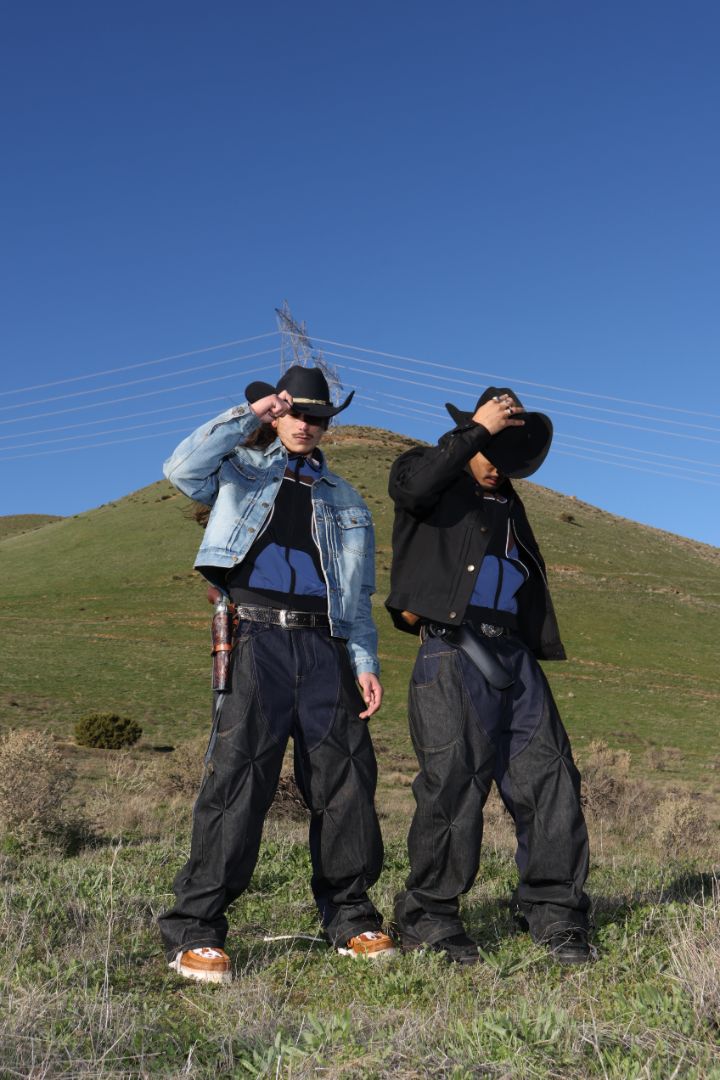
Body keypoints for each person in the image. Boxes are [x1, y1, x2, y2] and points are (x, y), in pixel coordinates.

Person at [158, 365, 394, 984]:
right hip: (254, 635)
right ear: (278, 414)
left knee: (345, 780)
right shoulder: (239, 471)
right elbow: (180, 469)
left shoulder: (346, 500)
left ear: (327, 425)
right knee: (238, 779)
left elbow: (359, 593)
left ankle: (350, 917)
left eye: (317, 417)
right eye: (295, 413)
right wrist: (253, 415)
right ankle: (197, 930)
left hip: (325, 646)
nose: (306, 425)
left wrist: (364, 663)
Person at [385, 387, 592, 965]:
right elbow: (411, 488)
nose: (499, 466)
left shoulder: (511, 505)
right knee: (453, 781)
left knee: (550, 778)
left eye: (509, 454)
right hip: (453, 649)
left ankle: (553, 911)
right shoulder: (428, 478)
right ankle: (429, 914)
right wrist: (474, 431)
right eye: (491, 449)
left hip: (515, 655)